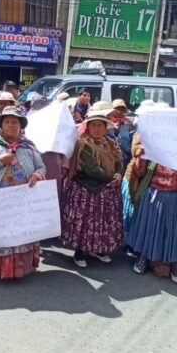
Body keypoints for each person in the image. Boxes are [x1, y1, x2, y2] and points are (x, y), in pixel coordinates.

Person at [125, 130, 177, 285]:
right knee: (150, 230)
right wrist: (140, 156)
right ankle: (143, 257)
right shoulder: (155, 150)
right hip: (155, 194)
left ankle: (176, 265)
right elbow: (139, 171)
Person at [0, 107, 45, 279]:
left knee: (17, 235)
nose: (11, 125)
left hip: (21, 201)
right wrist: (0, 160)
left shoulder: (28, 145)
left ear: (21, 125)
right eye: (7, 121)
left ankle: (18, 269)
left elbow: (41, 166)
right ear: (1, 125)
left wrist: (36, 174)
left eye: (15, 122)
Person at [62, 108, 123, 269]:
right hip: (86, 189)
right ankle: (80, 252)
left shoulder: (110, 143)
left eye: (100, 125)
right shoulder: (84, 144)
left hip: (107, 191)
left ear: (106, 127)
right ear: (88, 127)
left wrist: (119, 175)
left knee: (103, 222)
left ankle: (99, 249)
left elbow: (118, 162)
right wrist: (112, 178)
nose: (96, 129)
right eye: (93, 125)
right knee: (86, 222)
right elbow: (91, 169)